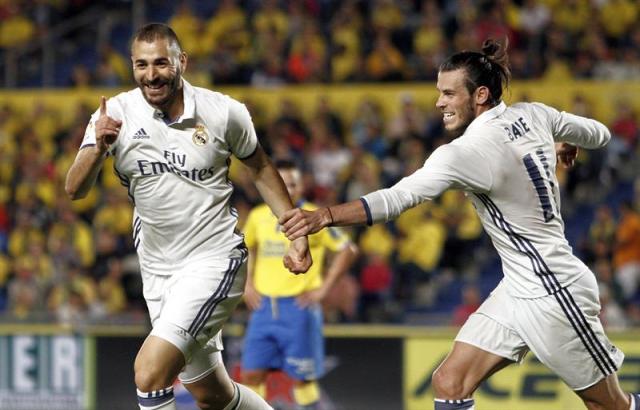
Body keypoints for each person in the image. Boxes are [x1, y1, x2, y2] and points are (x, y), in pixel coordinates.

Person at [280, 39, 640, 410]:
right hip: (519, 286)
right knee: (450, 381)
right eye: (440, 93)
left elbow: (397, 198)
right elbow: (600, 134)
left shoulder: (467, 152)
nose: (439, 103)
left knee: (611, 406)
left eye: (449, 93)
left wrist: (324, 215)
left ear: (480, 94)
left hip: (553, 291)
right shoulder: (535, 115)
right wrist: (563, 139)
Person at [65, 23, 312, 410]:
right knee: (212, 393)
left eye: (161, 63)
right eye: (142, 65)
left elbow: (261, 168)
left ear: (182, 62)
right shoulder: (114, 114)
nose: (151, 75)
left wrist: (294, 230)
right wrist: (98, 147)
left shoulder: (223, 112)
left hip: (214, 261)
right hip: (159, 270)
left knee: (149, 372)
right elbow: (74, 189)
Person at [240, 160, 358, 410]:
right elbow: (248, 247)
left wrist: (324, 290)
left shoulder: (313, 218)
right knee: (251, 375)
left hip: (299, 308)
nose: (287, 189)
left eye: (292, 184)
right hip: (263, 308)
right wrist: (248, 284)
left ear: (301, 186)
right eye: (281, 184)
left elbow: (348, 250)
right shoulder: (258, 217)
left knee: (303, 380)